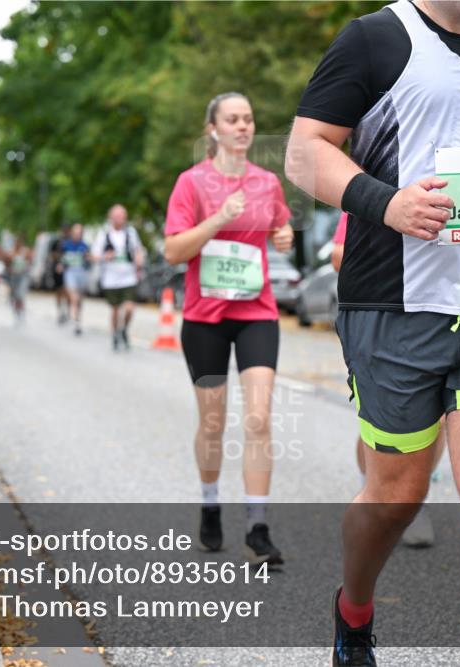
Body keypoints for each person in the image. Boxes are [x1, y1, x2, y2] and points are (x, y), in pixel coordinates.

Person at [286, 2, 460, 665]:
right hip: (394, 303)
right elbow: (304, 152)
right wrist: (386, 202)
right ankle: (354, 608)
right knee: (397, 495)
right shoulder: (377, 38)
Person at [164, 92, 295, 566]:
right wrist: (218, 219)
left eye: (248, 119)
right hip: (206, 319)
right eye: (233, 120)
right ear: (212, 130)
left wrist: (283, 236)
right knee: (213, 422)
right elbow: (173, 251)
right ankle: (210, 502)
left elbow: (280, 228)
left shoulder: (266, 182)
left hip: (256, 312)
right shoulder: (191, 183)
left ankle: (258, 527)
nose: (243, 127)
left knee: (258, 419)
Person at [332, 212, 440, 548]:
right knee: (378, 423)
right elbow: (337, 255)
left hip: (441, 315)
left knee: (437, 417)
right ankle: (374, 489)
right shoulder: (374, 189)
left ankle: (416, 499)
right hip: (386, 317)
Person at [93, 205, 145, 351]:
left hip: (128, 277)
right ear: (111, 217)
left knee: (129, 308)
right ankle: (115, 333)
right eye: (117, 216)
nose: (120, 219)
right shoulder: (104, 234)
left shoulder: (130, 232)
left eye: (123, 216)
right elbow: (94, 256)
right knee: (115, 309)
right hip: (111, 278)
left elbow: (138, 250)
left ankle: (124, 329)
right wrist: (105, 256)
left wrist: (139, 260)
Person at [58, 223, 90, 336]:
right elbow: (62, 258)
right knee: (74, 297)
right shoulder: (66, 245)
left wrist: (88, 258)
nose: (77, 235)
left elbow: (88, 261)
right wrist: (60, 265)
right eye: (75, 233)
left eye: (79, 233)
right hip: (70, 272)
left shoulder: (85, 246)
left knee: (79, 299)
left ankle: (78, 320)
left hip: (81, 273)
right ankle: (74, 319)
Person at [6, 237, 32, 323]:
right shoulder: (11, 252)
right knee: (15, 296)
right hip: (14, 277)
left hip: (23, 276)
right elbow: (7, 264)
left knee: (20, 295)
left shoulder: (25, 251)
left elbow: (30, 261)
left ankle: (22, 312)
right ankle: (16, 312)